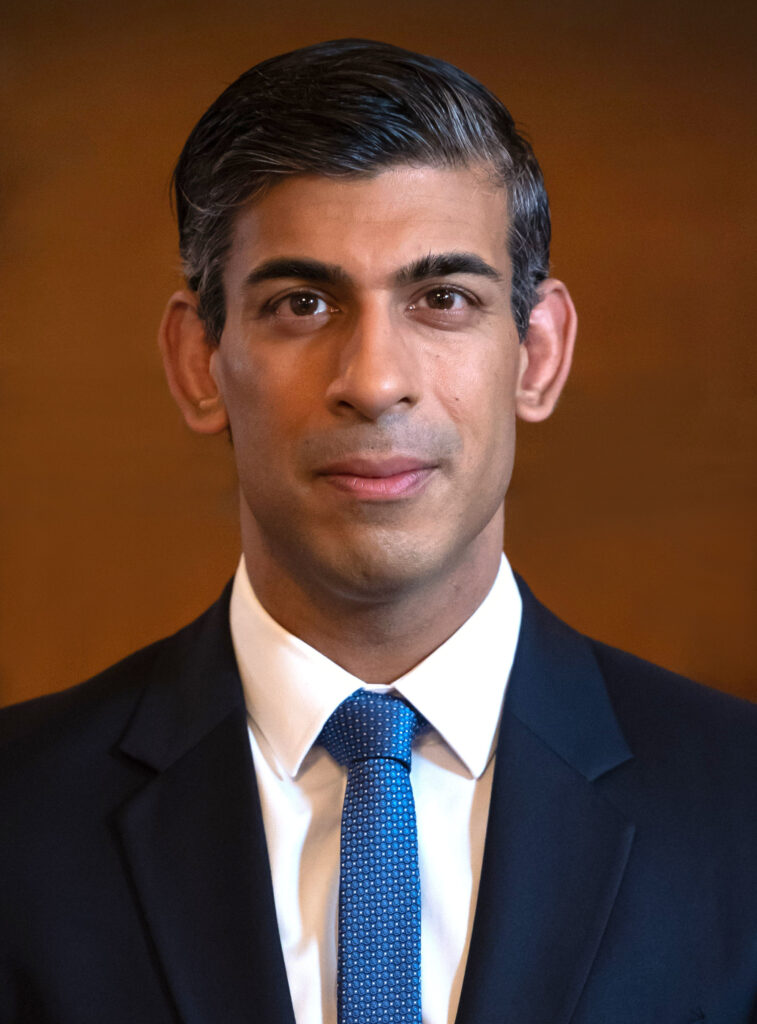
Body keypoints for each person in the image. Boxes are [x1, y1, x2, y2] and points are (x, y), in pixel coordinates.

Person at [1, 38, 755, 1024]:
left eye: (442, 299)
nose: (372, 378)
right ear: (199, 361)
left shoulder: (739, 807)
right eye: (301, 303)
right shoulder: (18, 817)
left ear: (535, 354)